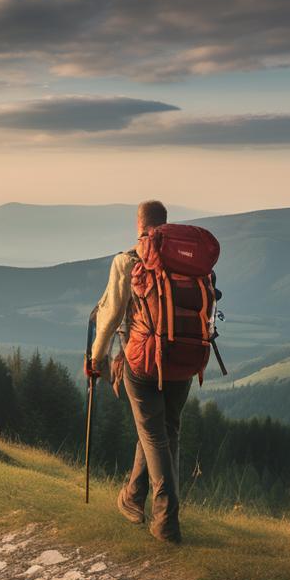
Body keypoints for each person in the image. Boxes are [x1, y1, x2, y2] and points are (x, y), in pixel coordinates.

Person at [87, 200, 195, 545]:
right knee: (164, 430)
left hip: (143, 362)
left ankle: (166, 519)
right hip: (184, 359)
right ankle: (133, 498)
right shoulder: (187, 260)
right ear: (165, 223)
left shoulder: (128, 261)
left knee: (153, 435)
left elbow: (110, 315)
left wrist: (96, 358)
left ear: (139, 225)